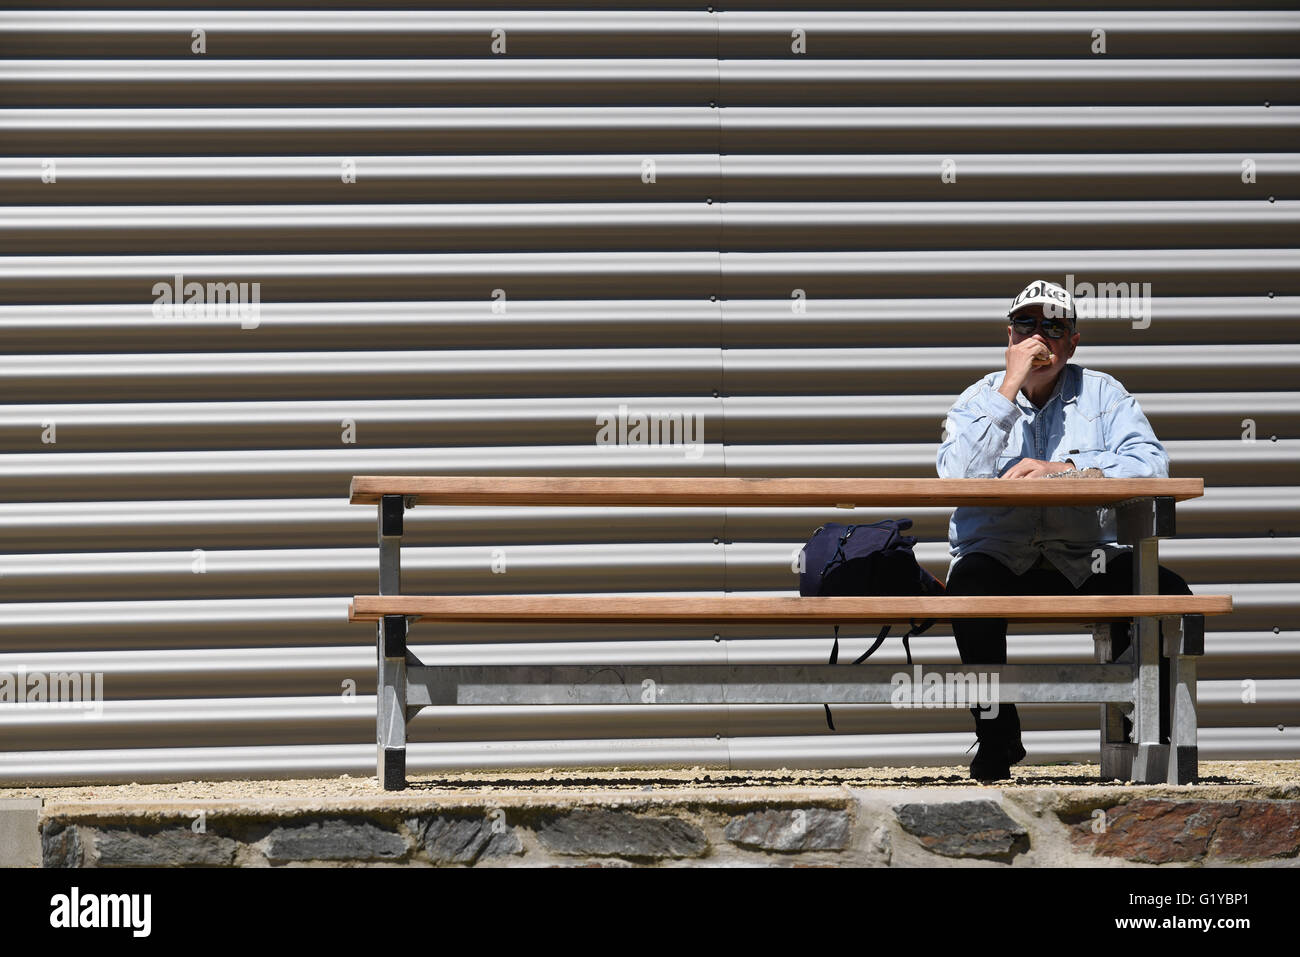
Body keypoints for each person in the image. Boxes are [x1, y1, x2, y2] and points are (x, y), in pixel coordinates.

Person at [936, 279, 1194, 781]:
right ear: (1010, 336)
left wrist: (1068, 469)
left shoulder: (1103, 392)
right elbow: (956, 477)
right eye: (1027, 325)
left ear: (1073, 340)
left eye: (1054, 327)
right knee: (969, 588)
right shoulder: (978, 398)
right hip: (1000, 559)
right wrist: (1007, 390)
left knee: (1165, 590)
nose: (1040, 338)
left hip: (1084, 559)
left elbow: (1152, 466)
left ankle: (1147, 727)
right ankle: (997, 735)